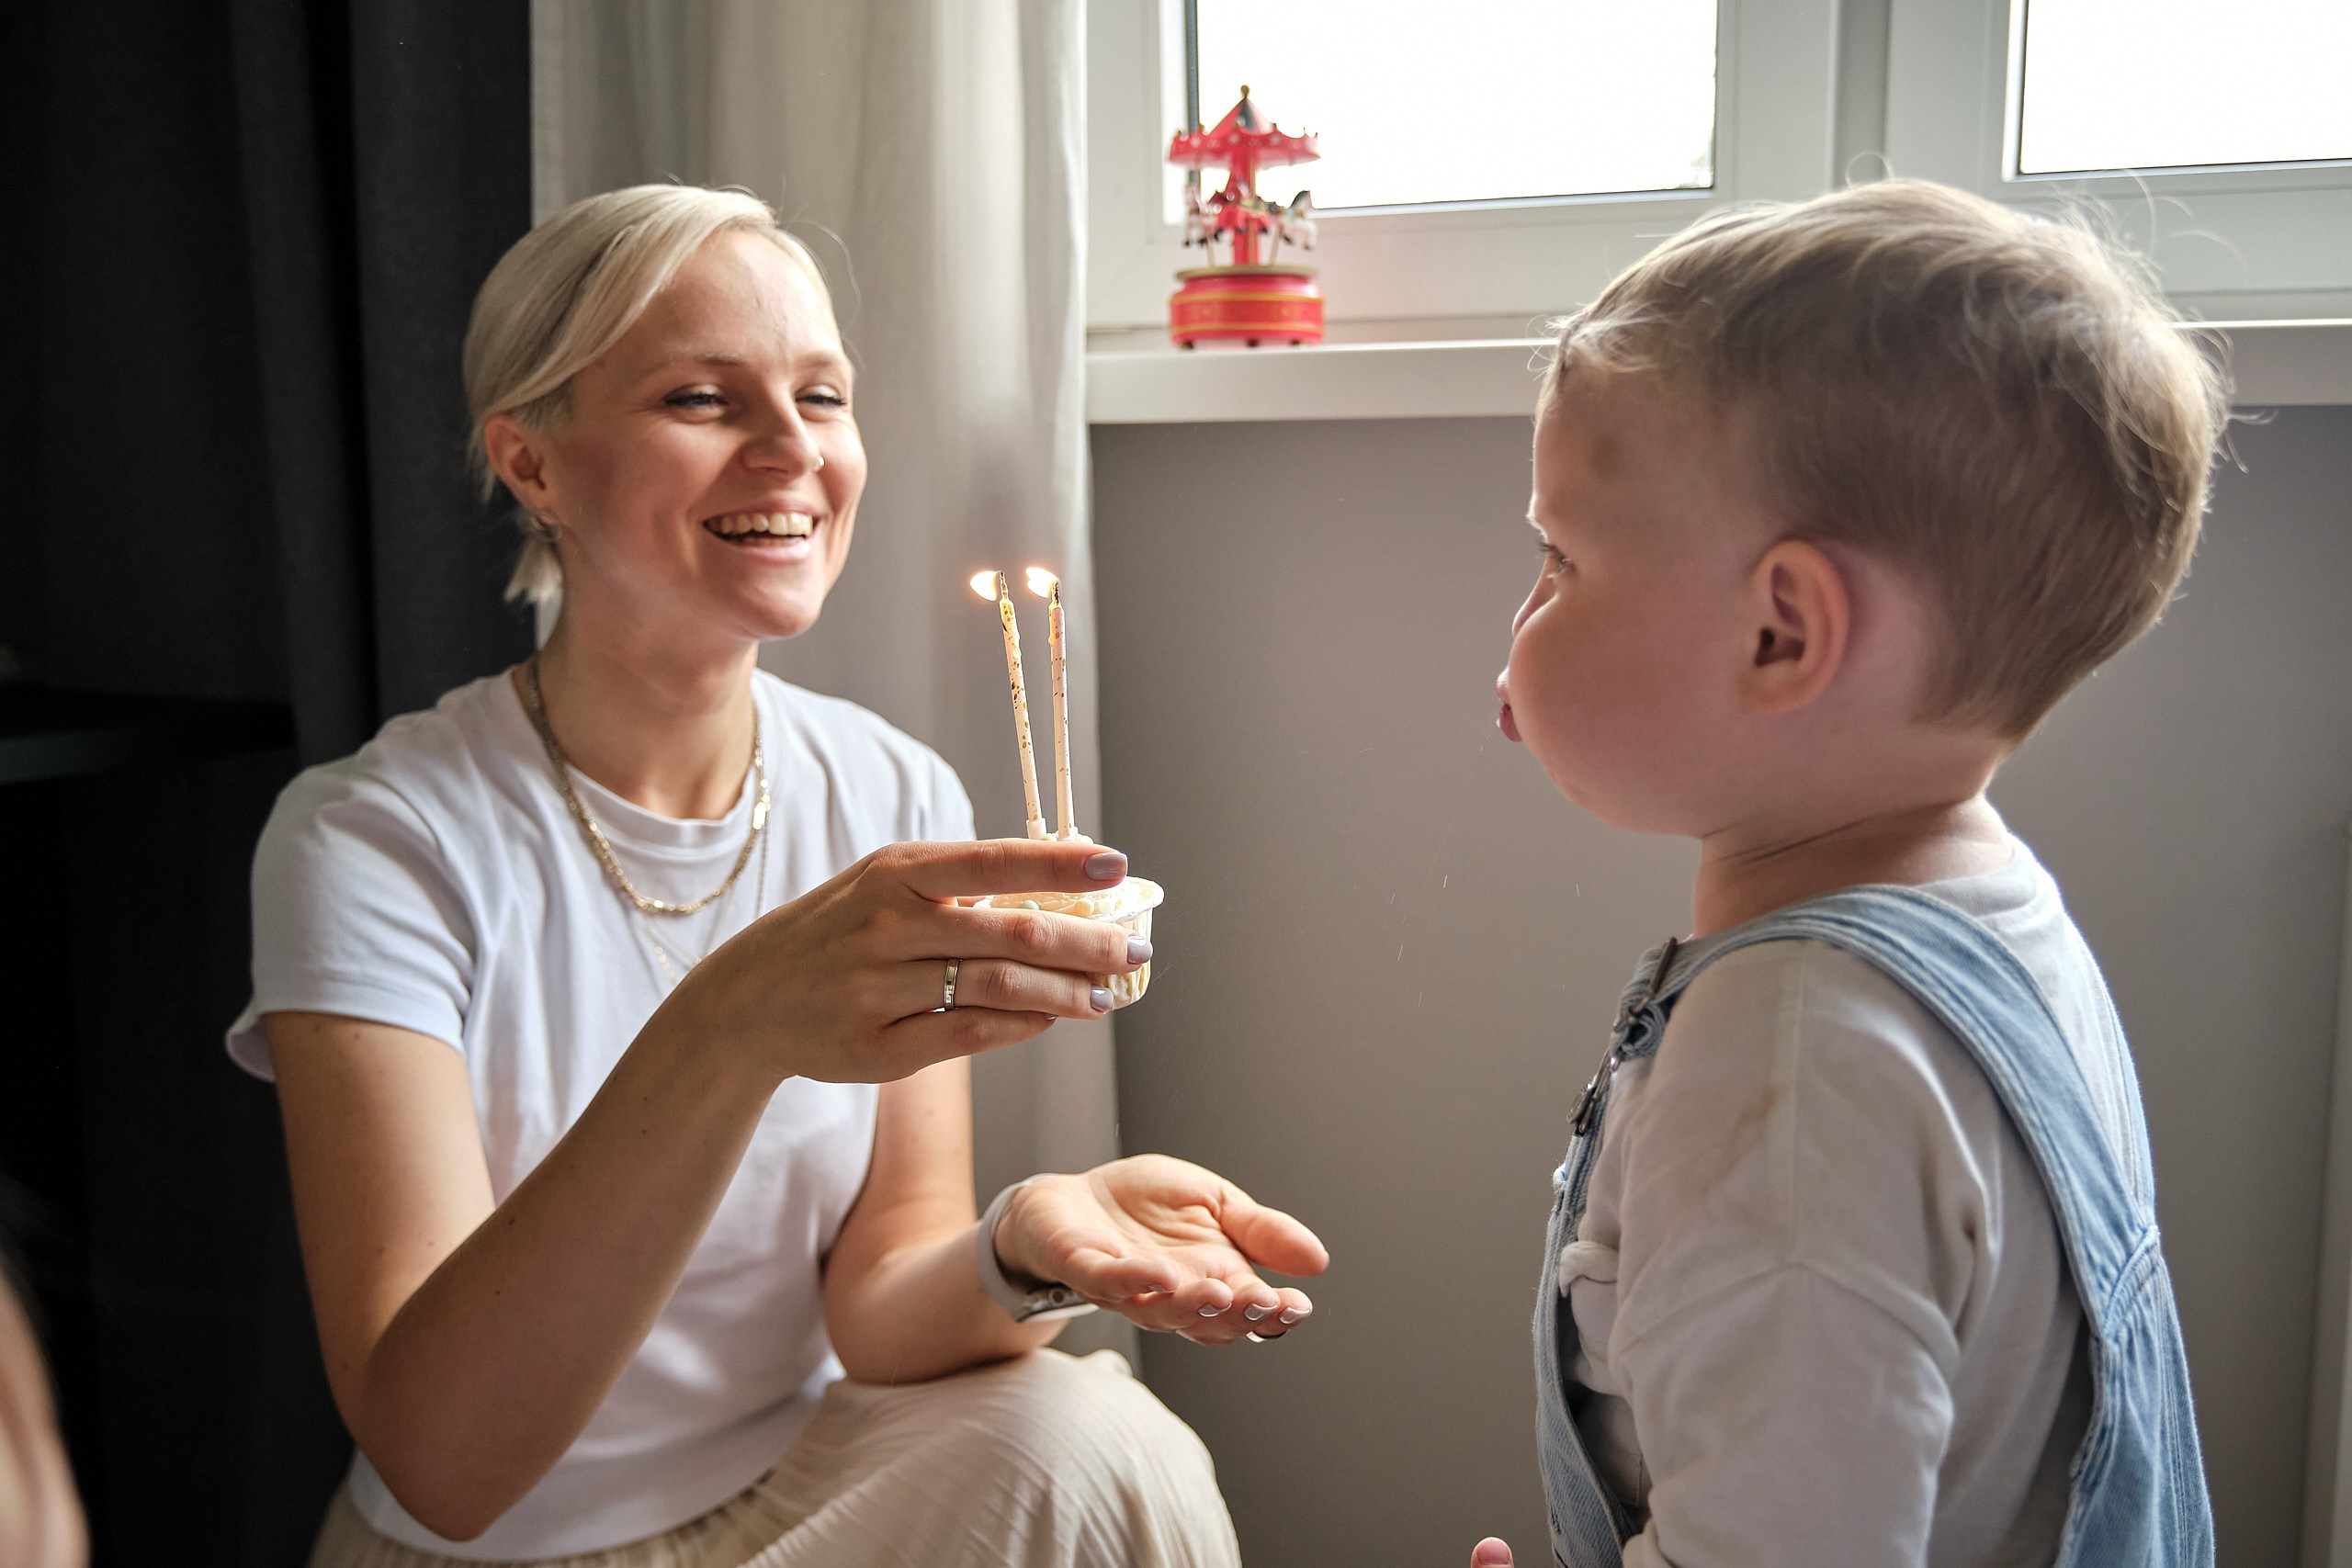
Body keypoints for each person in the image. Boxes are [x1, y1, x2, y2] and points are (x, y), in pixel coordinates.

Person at [227, 184, 1326, 1568]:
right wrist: (727, 1027)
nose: (792, 450)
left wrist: (1024, 1246)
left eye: (823, 395)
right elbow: (446, 1461)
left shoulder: (891, 798)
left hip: (807, 1492)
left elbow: (880, 1298)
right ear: (533, 463)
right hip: (491, 1548)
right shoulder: (375, 843)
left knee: (1100, 1443)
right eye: (702, 398)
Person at [1470, 182, 2222, 1566]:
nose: (1521, 623)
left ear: (1782, 635)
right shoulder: (2000, 927)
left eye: (1559, 560)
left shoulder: (1797, 1068)